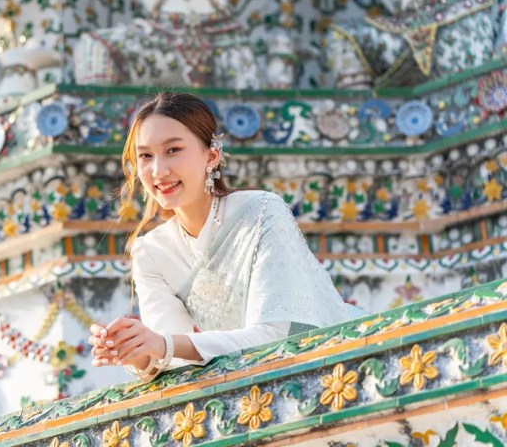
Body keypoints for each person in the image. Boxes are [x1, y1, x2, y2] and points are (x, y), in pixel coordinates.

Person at [88, 92, 361, 382]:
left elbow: (274, 337)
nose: (159, 170)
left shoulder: (262, 211)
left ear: (211, 156)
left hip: (341, 368)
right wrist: (136, 350)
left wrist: (162, 345)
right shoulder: (150, 252)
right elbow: (174, 353)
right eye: (145, 156)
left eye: (173, 150)